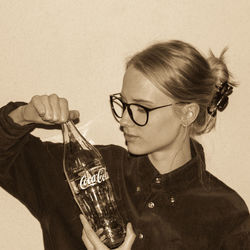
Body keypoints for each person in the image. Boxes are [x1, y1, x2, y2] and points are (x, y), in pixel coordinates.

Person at [0, 40, 249, 250]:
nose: (124, 120)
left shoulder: (225, 215)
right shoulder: (87, 171)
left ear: (187, 113)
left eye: (141, 108)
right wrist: (23, 116)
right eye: (124, 104)